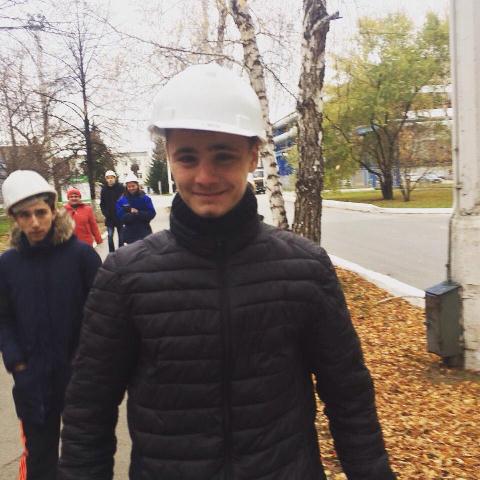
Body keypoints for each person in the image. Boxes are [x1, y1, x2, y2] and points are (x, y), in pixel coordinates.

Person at [58, 65, 396, 479]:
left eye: (223, 156)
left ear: (253, 155)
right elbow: (88, 412)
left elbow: (349, 397)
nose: (205, 176)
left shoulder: (304, 269)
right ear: (169, 157)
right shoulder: (126, 277)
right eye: (187, 157)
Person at [0, 170, 101, 480]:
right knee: (40, 461)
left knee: (83, 459)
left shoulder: (82, 257)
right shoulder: (8, 265)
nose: (34, 223)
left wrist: (87, 362)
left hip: (78, 378)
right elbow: (4, 318)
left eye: (41, 212)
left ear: (53, 211)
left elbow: (101, 315)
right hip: (33, 381)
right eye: (25, 215)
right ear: (14, 218)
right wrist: (17, 362)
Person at [115, 172, 156, 244]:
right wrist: (132, 214)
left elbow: (152, 213)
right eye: (129, 186)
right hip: (130, 235)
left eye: (133, 186)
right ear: (126, 187)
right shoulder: (122, 200)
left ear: (137, 185)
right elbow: (120, 216)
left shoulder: (145, 198)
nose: (131, 188)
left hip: (145, 233)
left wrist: (138, 213)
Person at [100, 170, 124, 252]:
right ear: (106, 179)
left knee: (121, 237)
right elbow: (102, 204)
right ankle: (112, 253)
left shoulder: (121, 188)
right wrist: (105, 213)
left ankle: (121, 252)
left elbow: (125, 200)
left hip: (120, 217)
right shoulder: (104, 190)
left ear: (115, 178)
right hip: (110, 218)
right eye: (108, 178)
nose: (110, 179)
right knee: (110, 237)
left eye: (112, 178)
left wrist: (123, 212)